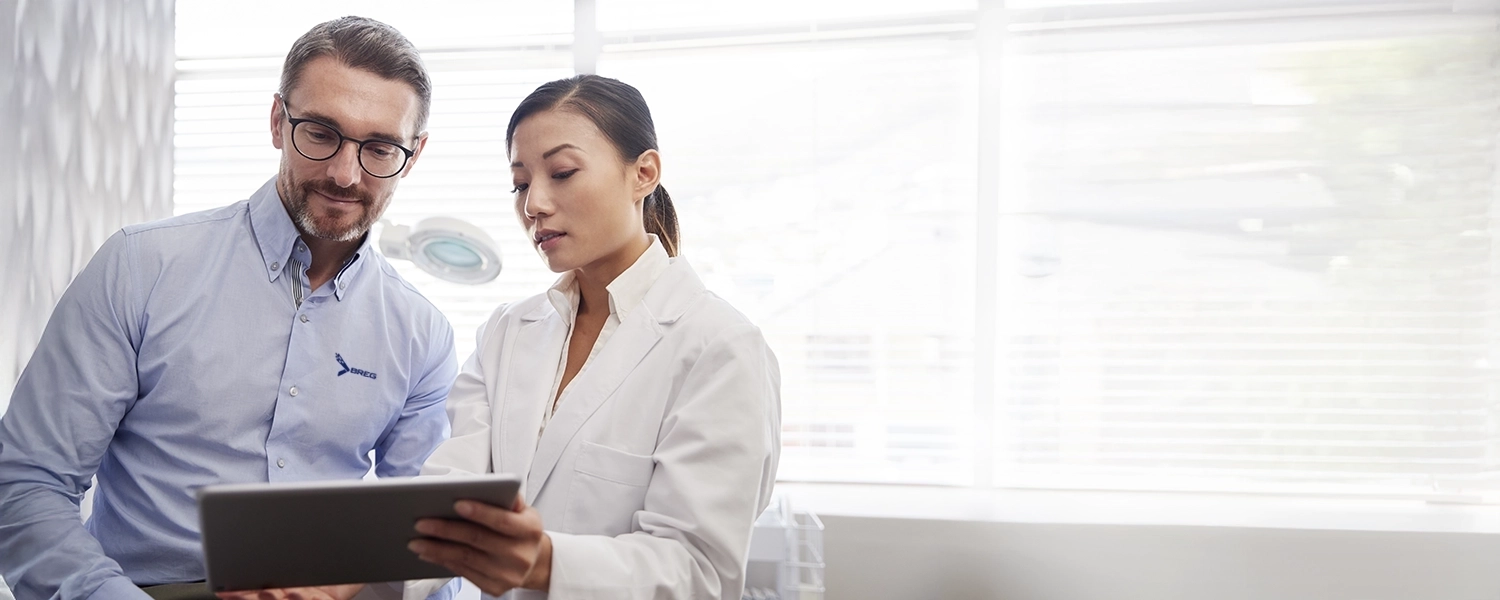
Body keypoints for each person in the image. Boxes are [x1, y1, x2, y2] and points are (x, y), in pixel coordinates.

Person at [0, 16, 456, 600]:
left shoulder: (422, 333)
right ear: (277, 121)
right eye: (321, 133)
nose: (345, 173)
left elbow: (429, 543)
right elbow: (28, 483)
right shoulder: (141, 266)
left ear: (413, 156)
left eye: (380, 148)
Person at [400, 74, 781, 600]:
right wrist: (337, 581)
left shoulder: (720, 348)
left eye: (562, 173)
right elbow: (447, 499)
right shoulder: (506, 333)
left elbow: (699, 572)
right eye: (520, 183)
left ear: (643, 174)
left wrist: (545, 563)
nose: (533, 204)